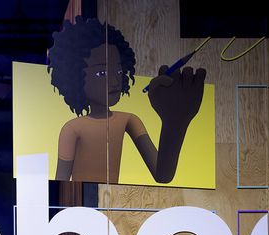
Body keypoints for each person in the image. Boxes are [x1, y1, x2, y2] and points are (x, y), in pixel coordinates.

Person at [48, 17, 205, 184]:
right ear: (74, 77)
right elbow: (61, 184)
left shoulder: (129, 120)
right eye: (102, 73)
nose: (115, 82)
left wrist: (174, 122)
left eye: (118, 72)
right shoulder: (72, 129)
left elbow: (163, 176)